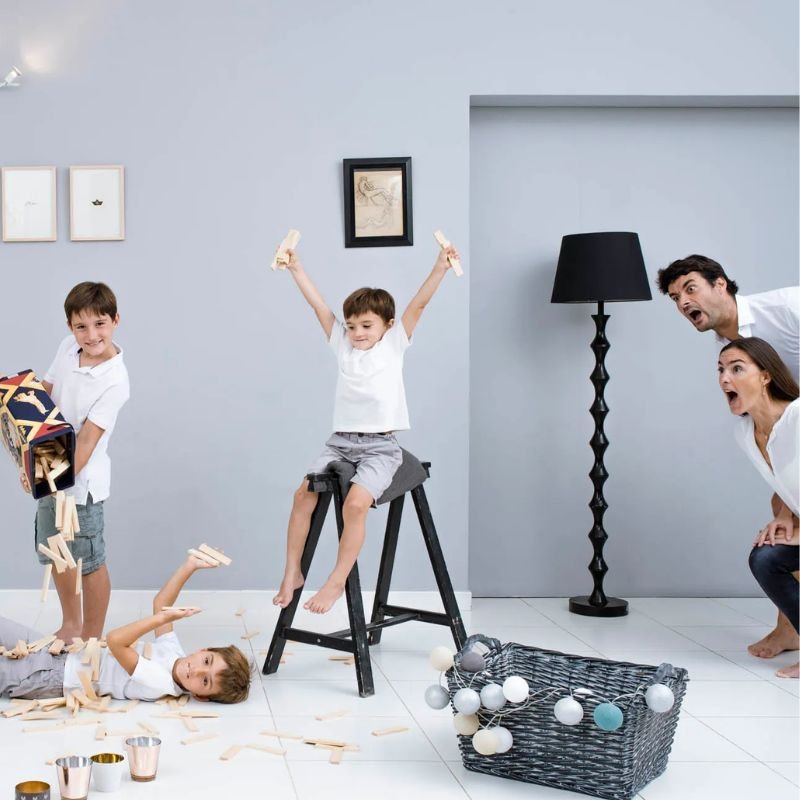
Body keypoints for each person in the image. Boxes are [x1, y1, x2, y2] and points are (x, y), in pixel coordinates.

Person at [271, 243, 460, 614]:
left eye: (366, 325)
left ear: (387, 326)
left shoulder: (394, 344)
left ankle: (336, 580)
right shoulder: (342, 345)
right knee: (302, 495)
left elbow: (418, 305)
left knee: (356, 505)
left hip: (380, 446)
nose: (357, 332)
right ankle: (292, 571)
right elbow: (319, 307)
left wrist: (440, 266)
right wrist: (296, 268)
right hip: (340, 443)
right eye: (353, 325)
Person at [658, 255, 800, 659]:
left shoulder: (787, 307)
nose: (683, 302)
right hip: (788, 432)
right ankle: (790, 628)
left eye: (690, 288)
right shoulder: (730, 351)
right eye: (674, 298)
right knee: (782, 518)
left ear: (720, 284)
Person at [23, 282, 130, 643]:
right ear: (70, 327)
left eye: (100, 324)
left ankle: (92, 636)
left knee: (89, 559)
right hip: (49, 461)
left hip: (82, 482)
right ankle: (71, 624)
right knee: (57, 550)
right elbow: (45, 393)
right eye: (81, 326)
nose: (91, 335)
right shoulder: (68, 348)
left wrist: (50, 477)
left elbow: (86, 441)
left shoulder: (115, 381)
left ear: (115, 320)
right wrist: (25, 441)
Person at [0, 552, 252, 701]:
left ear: (200, 696)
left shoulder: (160, 683)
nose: (196, 671)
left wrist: (163, 620)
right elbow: (161, 602)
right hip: (58, 651)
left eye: (205, 682)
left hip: (54, 677)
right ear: (204, 649)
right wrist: (190, 566)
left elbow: (116, 641)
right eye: (206, 662)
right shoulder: (174, 654)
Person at [718, 337, 799, 678]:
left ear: (765, 376)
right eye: (721, 370)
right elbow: (782, 484)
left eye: (737, 368)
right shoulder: (746, 431)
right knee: (765, 557)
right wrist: (783, 517)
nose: (725, 378)